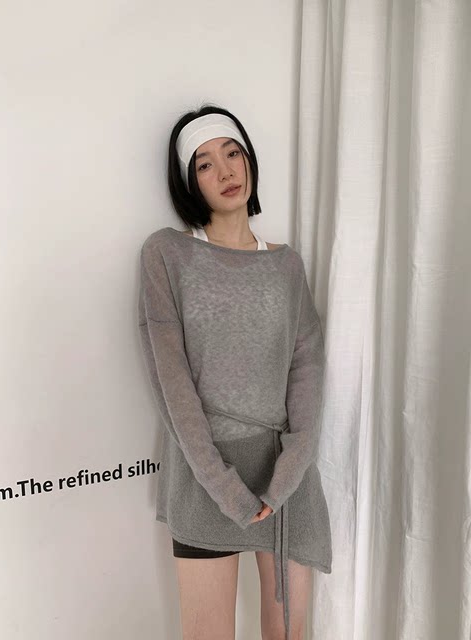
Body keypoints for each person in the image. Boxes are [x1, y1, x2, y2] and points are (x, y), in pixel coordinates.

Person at [138, 103, 332, 640]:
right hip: (204, 479)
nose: (225, 171)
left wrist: (286, 477)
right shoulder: (167, 254)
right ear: (188, 182)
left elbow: (307, 370)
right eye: (204, 164)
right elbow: (171, 383)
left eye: (232, 153)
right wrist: (226, 489)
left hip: (284, 478)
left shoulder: (286, 264)